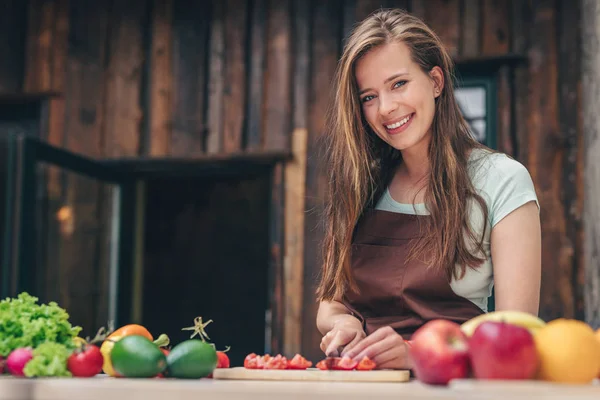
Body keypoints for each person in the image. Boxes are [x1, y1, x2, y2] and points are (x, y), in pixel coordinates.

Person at [315, 8, 541, 370]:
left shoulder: (503, 181)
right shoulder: (362, 185)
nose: (386, 108)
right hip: (363, 383)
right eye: (368, 97)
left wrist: (415, 354)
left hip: (455, 386)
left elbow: (516, 331)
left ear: (435, 82)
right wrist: (344, 323)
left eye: (398, 84)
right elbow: (331, 301)